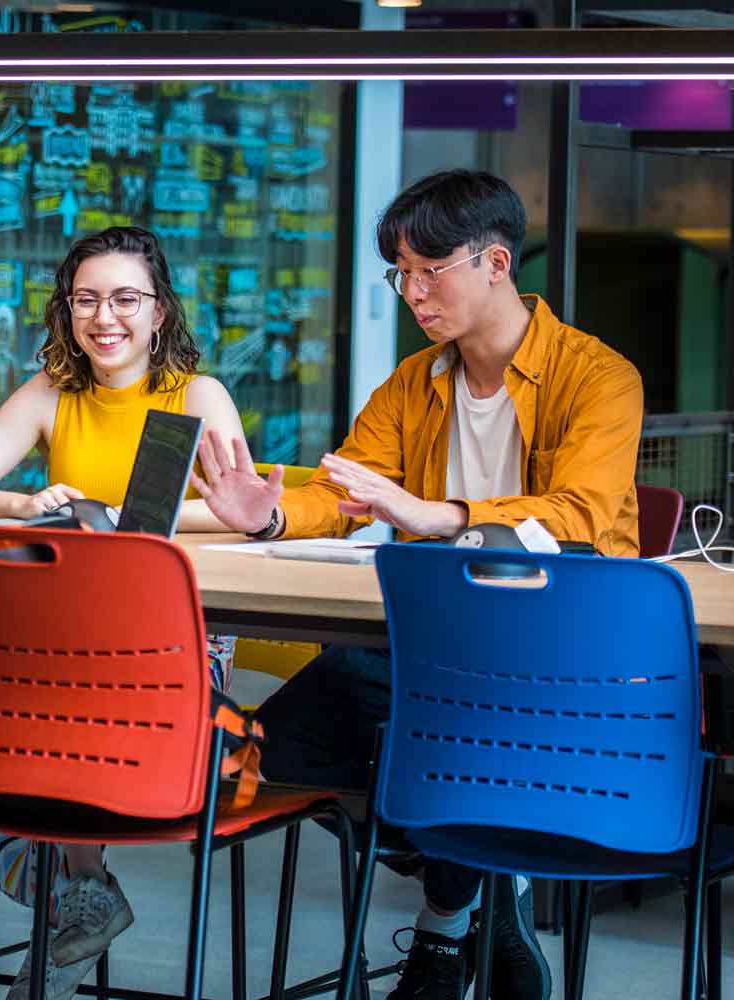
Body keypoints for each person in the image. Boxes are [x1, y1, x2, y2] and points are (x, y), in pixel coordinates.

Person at [190, 170, 643, 1000]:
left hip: (566, 649)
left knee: (444, 735)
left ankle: (439, 937)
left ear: (496, 262)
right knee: (280, 751)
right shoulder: (414, 382)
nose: (412, 292)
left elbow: (578, 514)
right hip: (436, 641)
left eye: (429, 270)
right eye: (399, 273)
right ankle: (484, 885)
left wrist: (436, 516)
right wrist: (264, 517)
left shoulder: (598, 377)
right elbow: (346, 491)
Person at [0, 225, 251, 1000]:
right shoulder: (50, 391)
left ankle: (80, 899)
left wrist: (112, 513)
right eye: (86, 300)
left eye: (125, 299)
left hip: (175, 643)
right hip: (70, 637)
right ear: (66, 311)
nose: (105, 317)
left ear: (160, 311)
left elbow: (236, 511)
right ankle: (84, 894)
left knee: (44, 705)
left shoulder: (195, 395)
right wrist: (26, 500)